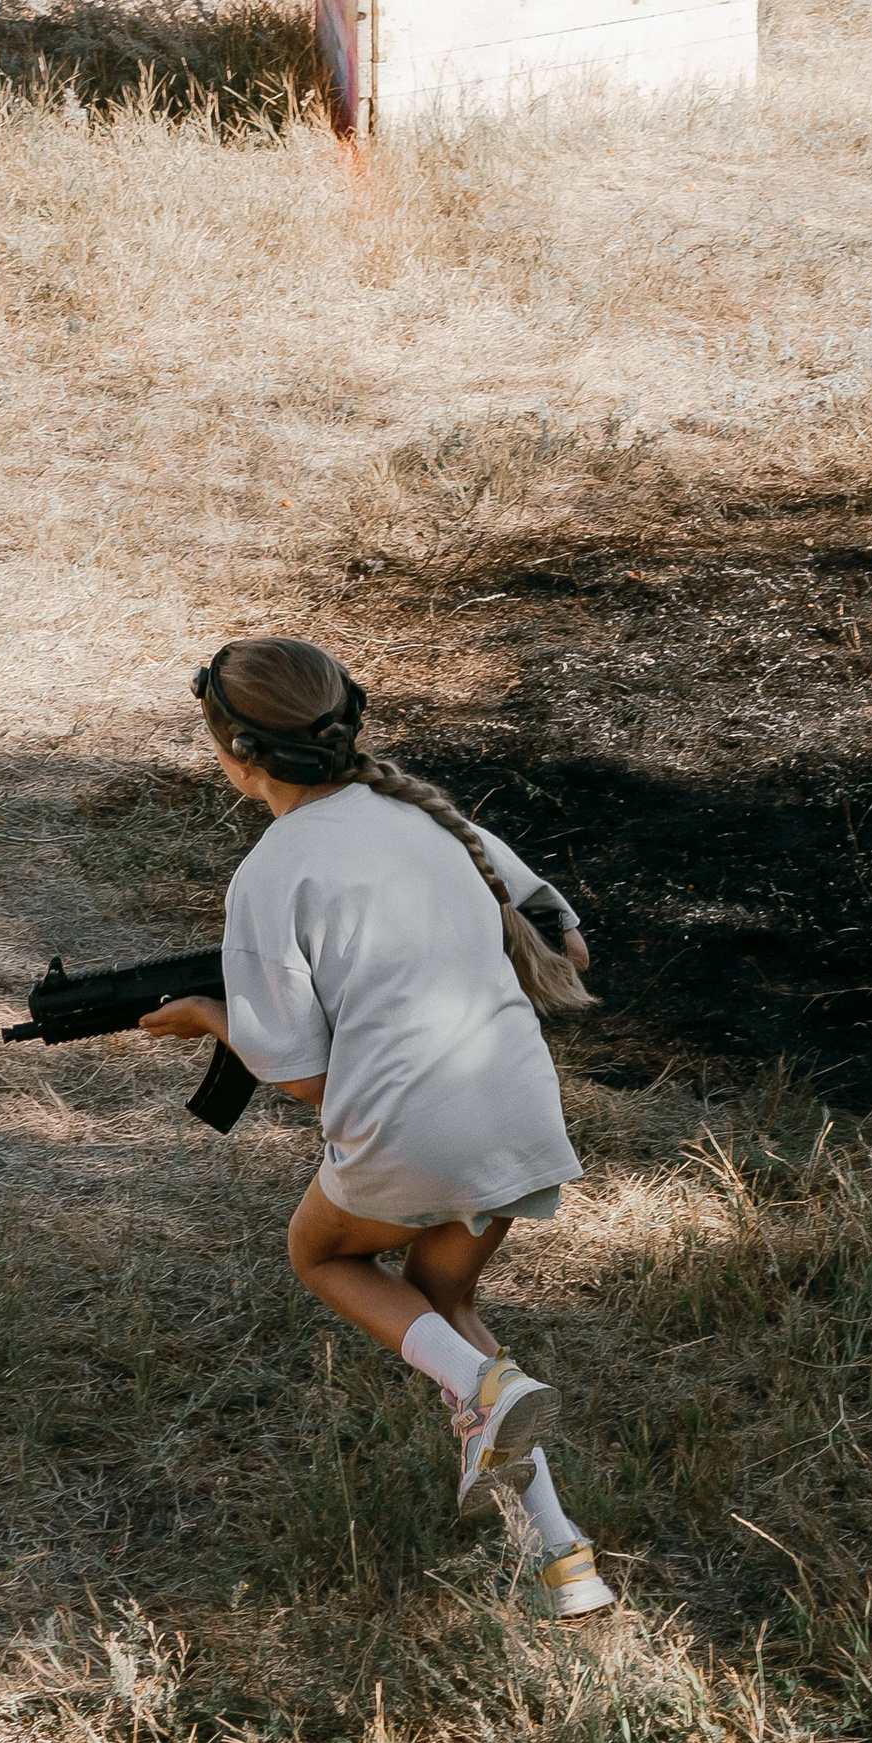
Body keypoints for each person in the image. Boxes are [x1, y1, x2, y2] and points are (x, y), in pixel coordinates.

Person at [142, 636, 615, 1623]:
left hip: (416, 1133)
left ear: (235, 756)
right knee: (440, 1307)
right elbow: (562, 932)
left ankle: (484, 1396)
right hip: (515, 1109)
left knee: (320, 1254)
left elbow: (312, 1079)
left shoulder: (273, 873)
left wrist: (205, 1018)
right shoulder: (421, 813)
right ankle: (561, 1561)